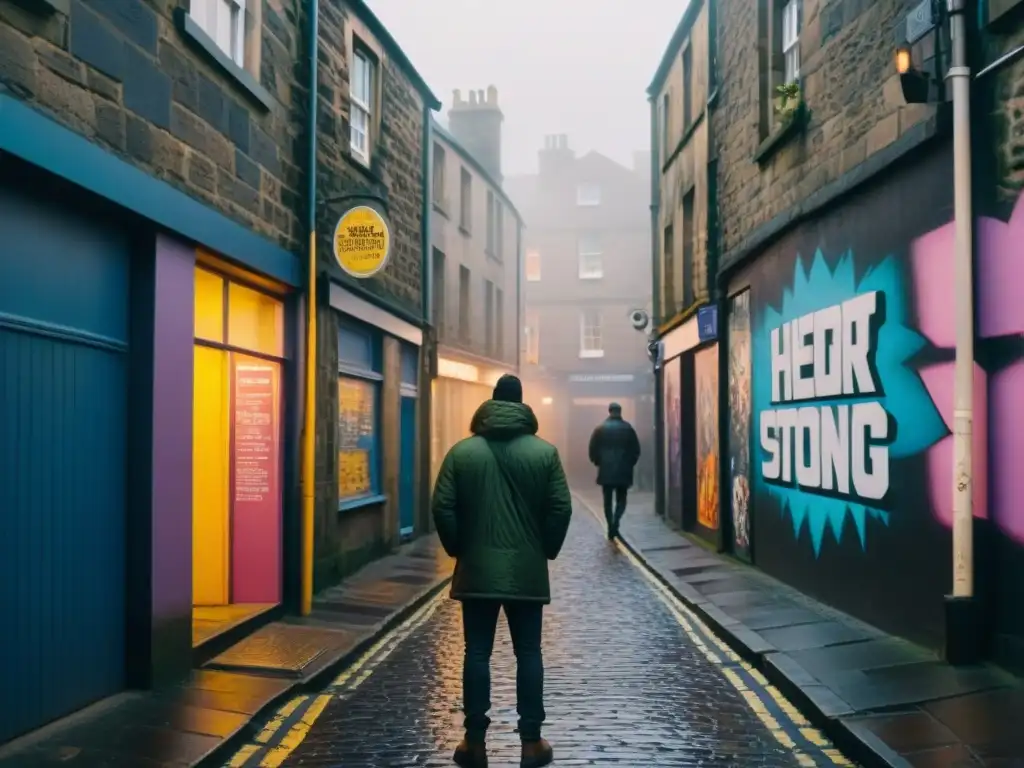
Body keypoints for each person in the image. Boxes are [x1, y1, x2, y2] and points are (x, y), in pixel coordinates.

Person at [432, 373, 573, 768]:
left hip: (477, 571)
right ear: (522, 405)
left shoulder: (462, 452)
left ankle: (474, 743)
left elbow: (442, 505)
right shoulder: (545, 454)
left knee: (477, 652)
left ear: (490, 405)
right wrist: (543, 549)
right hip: (525, 571)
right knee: (529, 652)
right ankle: (531, 743)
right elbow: (561, 507)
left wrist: (459, 547)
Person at [588, 402, 641, 539]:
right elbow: (636, 450)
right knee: (621, 499)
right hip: (624, 470)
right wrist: (629, 464)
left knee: (607, 501)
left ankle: (610, 524)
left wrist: (598, 462)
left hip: (606, 469)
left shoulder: (600, 429)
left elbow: (592, 449)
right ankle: (616, 523)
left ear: (609, 411)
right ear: (620, 411)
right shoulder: (628, 428)